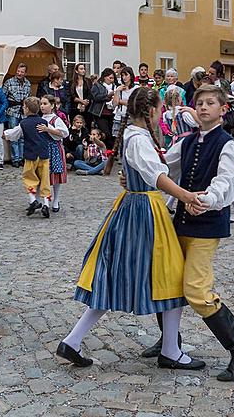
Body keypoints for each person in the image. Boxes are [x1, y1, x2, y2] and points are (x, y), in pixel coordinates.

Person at [56, 87, 206, 371]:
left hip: (134, 207)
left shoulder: (134, 136)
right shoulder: (138, 139)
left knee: (116, 276)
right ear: (150, 111)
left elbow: (147, 170)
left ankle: (73, 341)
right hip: (144, 212)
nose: (160, 113)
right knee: (172, 275)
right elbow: (156, 175)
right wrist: (187, 196)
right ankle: (171, 350)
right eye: (159, 109)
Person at [161, 84, 234, 381]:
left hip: (206, 226)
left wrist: (204, 201)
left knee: (196, 290)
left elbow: (227, 181)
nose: (203, 107)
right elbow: (164, 166)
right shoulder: (188, 141)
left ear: (222, 109)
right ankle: (169, 342)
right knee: (167, 282)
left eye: (210, 103)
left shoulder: (226, 143)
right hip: (180, 223)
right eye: (200, 103)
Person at [3, 97, 53, 218]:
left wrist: (5, 135)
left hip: (31, 155)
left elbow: (15, 133)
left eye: (24, 107)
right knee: (45, 179)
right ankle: (46, 204)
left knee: (29, 178)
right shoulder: (44, 122)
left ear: (27, 109)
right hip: (44, 155)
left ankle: (33, 201)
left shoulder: (24, 123)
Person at [41, 94, 70, 213]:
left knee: (56, 175)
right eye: (41, 104)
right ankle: (45, 201)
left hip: (55, 148)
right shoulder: (40, 118)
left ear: (52, 105)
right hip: (43, 149)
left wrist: (49, 129)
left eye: (45, 104)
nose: (42, 106)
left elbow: (65, 133)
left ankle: (56, 199)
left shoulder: (56, 119)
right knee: (44, 175)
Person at [2, 63, 31, 168]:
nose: (19, 73)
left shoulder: (27, 83)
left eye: (22, 72)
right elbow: (3, 97)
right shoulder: (9, 82)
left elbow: (29, 97)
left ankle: (22, 158)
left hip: (24, 112)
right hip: (12, 111)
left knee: (22, 136)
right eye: (18, 71)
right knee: (14, 135)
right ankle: (15, 159)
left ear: (25, 73)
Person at [88, 68, 117, 148]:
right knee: (106, 133)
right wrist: (107, 96)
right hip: (100, 113)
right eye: (110, 78)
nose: (111, 80)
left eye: (113, 78)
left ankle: (111, 151)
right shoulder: (97, 85)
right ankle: (106, 150)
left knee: (112, 133)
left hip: (112, 113)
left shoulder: (115, 86)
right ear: (104, 77)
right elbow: (95, 97)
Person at [111, 67, 136, 140]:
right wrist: (118, 91)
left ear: (131, 76)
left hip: (130, 117)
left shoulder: (135, 88)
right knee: (118, 141)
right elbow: (114, 104)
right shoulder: (120, 88)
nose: (124, 77)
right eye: (122, 75)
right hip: (119, 117)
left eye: (126, 75)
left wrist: (121, 101)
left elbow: (133, 103)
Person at [68, 63, 92, 129]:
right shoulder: (72, 82)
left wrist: (84, 104)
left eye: (84, 69)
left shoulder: (88, 81)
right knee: (75, 126)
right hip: (75, 107)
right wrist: (81, 101)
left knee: (86, 126)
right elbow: (71, 95)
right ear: (76, 71)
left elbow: (90, 94)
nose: (83, 70)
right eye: (81, 69)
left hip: (86, 107)